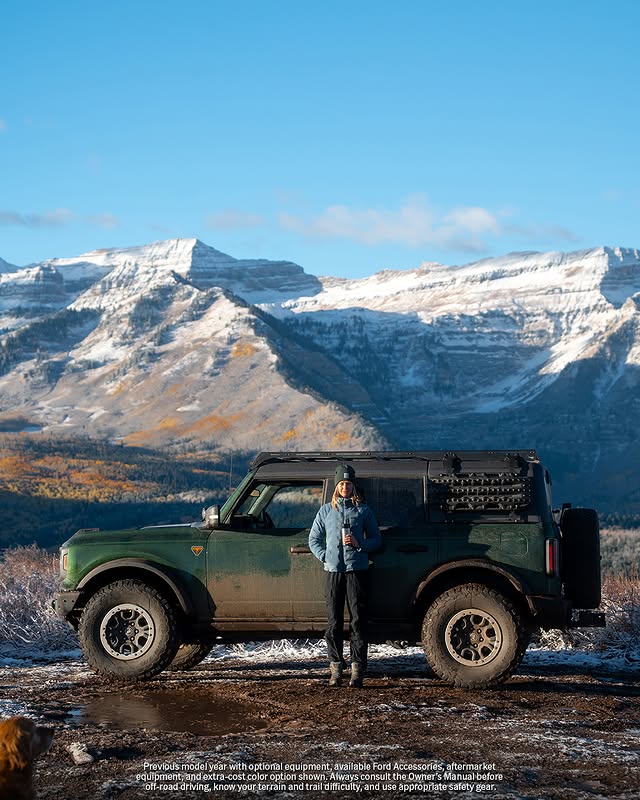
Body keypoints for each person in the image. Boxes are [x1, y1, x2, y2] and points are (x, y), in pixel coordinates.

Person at [308, 463, 382, 688]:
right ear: (336, 485)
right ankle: (335, 669)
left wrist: (360, 545)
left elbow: (377, 540)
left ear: (353, 485)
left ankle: (357, 670)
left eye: (348, 483)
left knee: (358, 621)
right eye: (341, 483)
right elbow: (313, 540)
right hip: (332, 572)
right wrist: (325, 556)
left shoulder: (363, 510)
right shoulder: (325, 511)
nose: (345, 487)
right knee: (334, 622)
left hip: (356, 571)